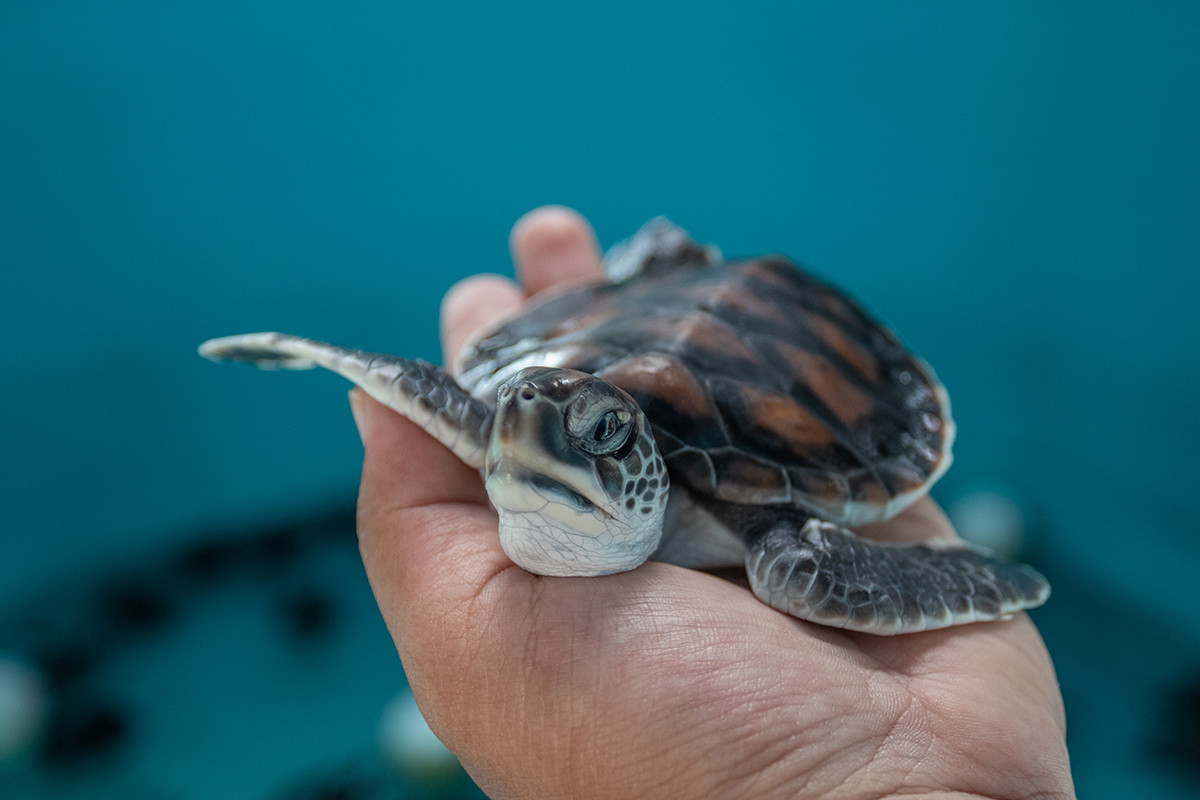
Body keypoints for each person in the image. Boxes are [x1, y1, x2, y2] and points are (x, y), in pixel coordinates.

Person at [349, 206, 1076, 799]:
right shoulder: (520, 435)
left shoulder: (776, 546)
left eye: (599, 437)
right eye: (511, 422)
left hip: (797, 342)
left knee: (800, 576)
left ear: (644, 476)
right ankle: (661, 280)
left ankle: (673, 274)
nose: (521, 438)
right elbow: (496, 413)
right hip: (613, 338)